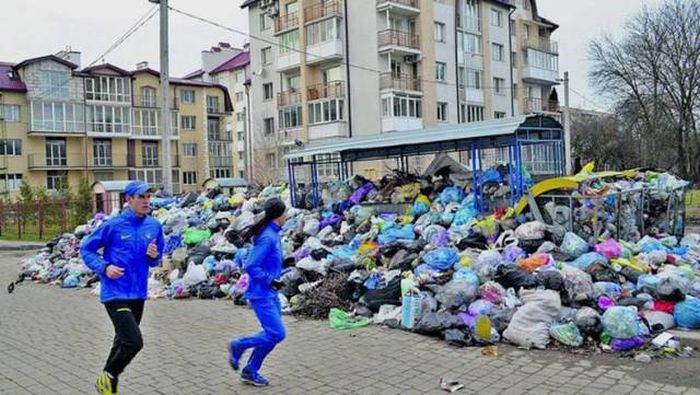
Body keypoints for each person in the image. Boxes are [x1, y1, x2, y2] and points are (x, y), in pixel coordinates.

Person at [80, 180, 164, 395]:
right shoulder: (113, 225)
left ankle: (109, 387)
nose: (146, 201)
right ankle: (108, 375)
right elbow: (86, 249)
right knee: (133, 341)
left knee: (121, 341)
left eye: (148, 197)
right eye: (141, 197)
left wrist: (154, 257)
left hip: (138, 293)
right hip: (115, 292)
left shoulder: (154, 226)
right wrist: (104, 267)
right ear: (129, 200)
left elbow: (156, 259)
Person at [229, 197, 287, 387]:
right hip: (261, 294)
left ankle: (251, 370)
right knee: (277, 334)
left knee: (271, 334)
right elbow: (251, 265)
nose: (287, 216)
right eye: (285, 212)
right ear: (279, 215)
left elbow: (267, 261)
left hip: (269, 292)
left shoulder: (273, 233)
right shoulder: (268, 237)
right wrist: (270, 281)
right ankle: (239, 345)